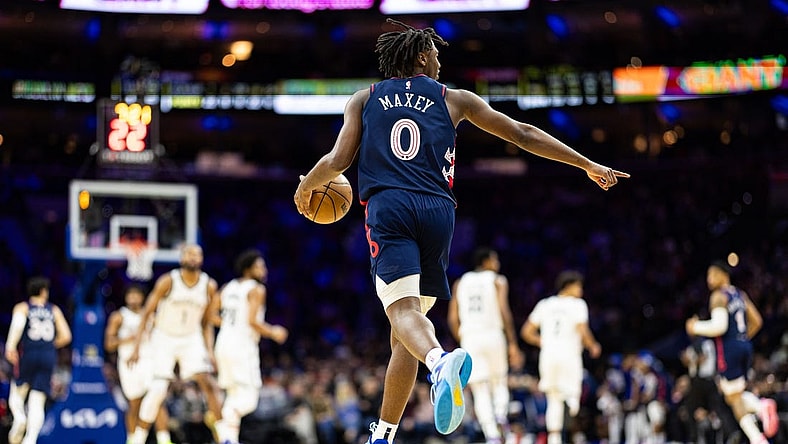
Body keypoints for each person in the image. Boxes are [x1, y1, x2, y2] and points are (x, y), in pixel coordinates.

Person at [293, 19, 628, 444]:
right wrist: (586, 164)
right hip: (438, 212)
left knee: (402, 316)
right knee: (405, 334)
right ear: (419, 57)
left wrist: (305, 188)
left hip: (390, 207)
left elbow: (338, 160)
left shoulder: (365, 99)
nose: (439, 61)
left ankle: (439, 363)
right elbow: (523, 134)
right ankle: (385, 433)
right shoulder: (456, 99)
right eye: (435, 54)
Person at [127, 243, 223, 444]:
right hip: (164, 337)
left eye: (197, 254)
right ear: (181, 258)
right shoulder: (168, 281)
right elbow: (146, 313)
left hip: (191, 337)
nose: (193, 257)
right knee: (158, 390)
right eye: (189, 254)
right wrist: (136, 348)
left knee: (208, 382)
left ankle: (225, 437)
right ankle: (138, 438)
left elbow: (206, 323)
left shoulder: (209, 285)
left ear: (202, 259)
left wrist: (210, 351)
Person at [685, 261, 779, 444]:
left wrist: (694, 326)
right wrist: (741, 338)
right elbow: (757, 321)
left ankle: (760, 413)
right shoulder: (739, 294)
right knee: (734, 396)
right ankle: (758, 428)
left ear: (723, 275)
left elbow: (719, 327)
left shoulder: (719, 296)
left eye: (712, 274)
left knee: (733, 397)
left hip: (729, 350)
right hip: (744, 346)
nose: (709, 280)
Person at [207, 249, 289, 444]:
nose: (264, 270)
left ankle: (229, 439)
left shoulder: (228, 287)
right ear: (248, 269)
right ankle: (220, 418)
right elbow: (253, 321)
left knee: (233, 394)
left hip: (223, 343)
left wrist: (230, 324)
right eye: (260, 266)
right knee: (249, 400)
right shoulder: (257, 289)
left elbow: (210, 315)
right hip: (242, 346)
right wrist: (273, 332)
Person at [447, 247, 523, 444]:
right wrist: (513, 342)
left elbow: (453, 319)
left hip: (470, 337)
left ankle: (491, 435)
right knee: (499, 380)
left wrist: (463, 337)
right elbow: (504, 311)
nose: (497, 264)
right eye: (495, 260)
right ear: (486, 261)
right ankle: (500, 415)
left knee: (479, 388)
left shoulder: (460, 283)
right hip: (493, 333)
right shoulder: (497, 280)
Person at [520, 270, 602, 444]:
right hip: (569, 356)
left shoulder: (545, 304)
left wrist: (542, 341)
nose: (581, 290)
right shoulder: (577, 304)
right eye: (579, 286)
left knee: (553, 399)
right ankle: (572, 426)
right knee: (572, 397)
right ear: (569, 286)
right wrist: (592, 345)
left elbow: (526, 332)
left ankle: (555, 439)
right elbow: (582, 329)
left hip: (548, 356)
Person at [5, 276, 72, 444]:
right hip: (48, 355)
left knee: (17, 393)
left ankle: (20, 417)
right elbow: (66, 336)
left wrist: (10, 347)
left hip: (28, 353)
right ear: (43, 291)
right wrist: (49, 345)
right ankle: (31, 439)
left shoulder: (23, 307)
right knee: (38, 400)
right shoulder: (54, 310)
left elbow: (18, 327)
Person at [104, 284, 173, 444]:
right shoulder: (119, 316)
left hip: (150, 361)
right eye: (130, 295)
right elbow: (109, 344)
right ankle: (133, 439)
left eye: (137, 295)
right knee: (134, 403)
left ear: (143, 297)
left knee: (156, 400)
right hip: (129, 363)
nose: (134, 298)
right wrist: (130, 338)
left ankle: (164, 439)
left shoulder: (152, 316)